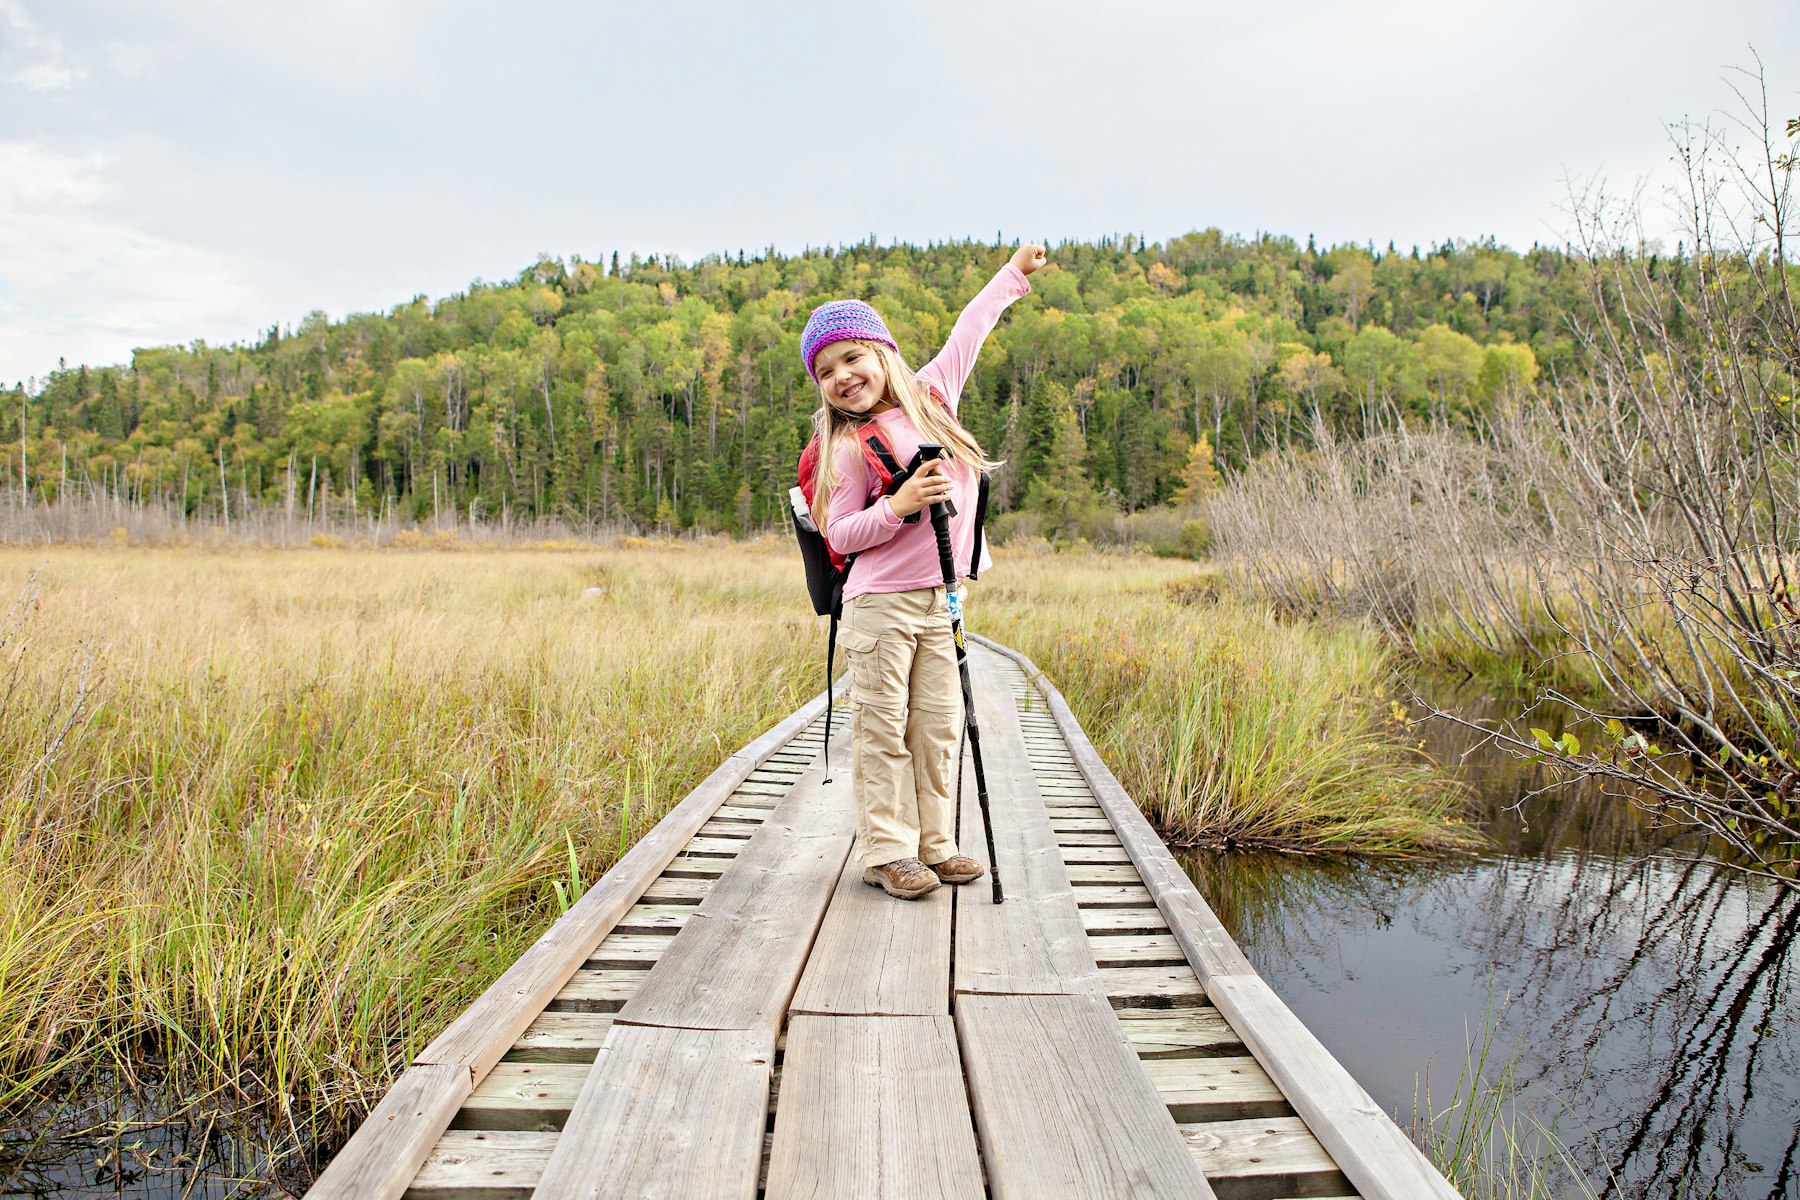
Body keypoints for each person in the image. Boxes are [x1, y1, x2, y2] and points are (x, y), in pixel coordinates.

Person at [803, 243, 1047, 899]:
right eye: (826, 371)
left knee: (938, 726)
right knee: (882, 732)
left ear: (881, 352)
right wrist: (898, 506)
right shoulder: (848, 448)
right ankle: (887, 852)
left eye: (852, 357)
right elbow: (841, 533)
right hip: (879, 606)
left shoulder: (935, 394)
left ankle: (936, 844)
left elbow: (972, 326)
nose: (843, 376)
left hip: (945, 600)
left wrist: (1013, 274)